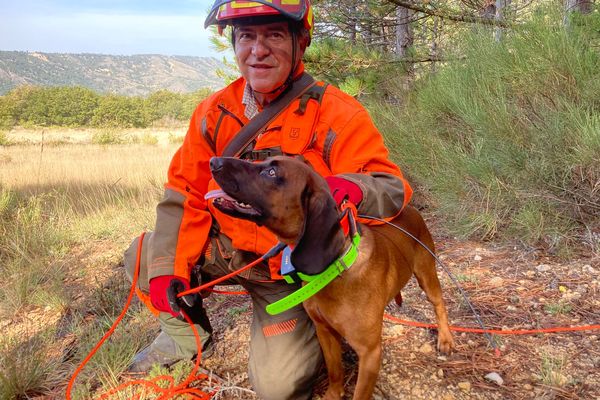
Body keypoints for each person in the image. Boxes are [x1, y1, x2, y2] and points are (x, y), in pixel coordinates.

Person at [123, 0, 414, 398]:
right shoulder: (213, 112)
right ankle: (185, 335)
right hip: (227, 251)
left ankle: (329, 331)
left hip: (290, 272)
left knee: (279, 388)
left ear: (301, 41)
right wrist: (169, 269)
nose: (258, 50)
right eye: (246, 36)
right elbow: (183, 192)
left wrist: (352, 187)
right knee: (146, 256)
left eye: (274, 35)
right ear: (234, 44)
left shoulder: (336, 113)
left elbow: (390, 186)